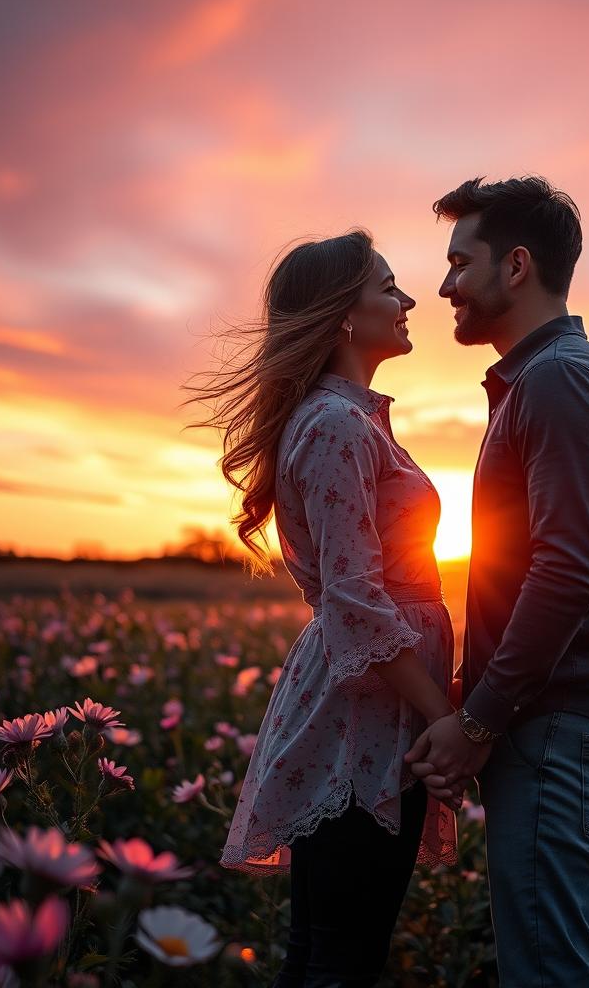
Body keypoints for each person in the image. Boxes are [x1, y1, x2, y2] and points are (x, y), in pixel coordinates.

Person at [185, 230, 460, 987]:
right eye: (388, 287)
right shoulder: (336, 424)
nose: (407, 302)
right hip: (361, 719)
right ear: (344, 314)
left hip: (371, 709)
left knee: (327, 952)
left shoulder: (349, 419)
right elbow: (355, 601)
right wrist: (446, 716)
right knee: (341, 957)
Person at [405, 176, 589, 988]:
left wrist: (477, 721)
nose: (443, 286)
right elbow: (535, 572)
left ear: (515, 267)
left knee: (551, 975)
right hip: (554, 724)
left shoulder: (557, 382)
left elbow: (567, 572)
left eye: (458, 262)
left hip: (563, 727)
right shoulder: (539, 380)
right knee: (570, 965)